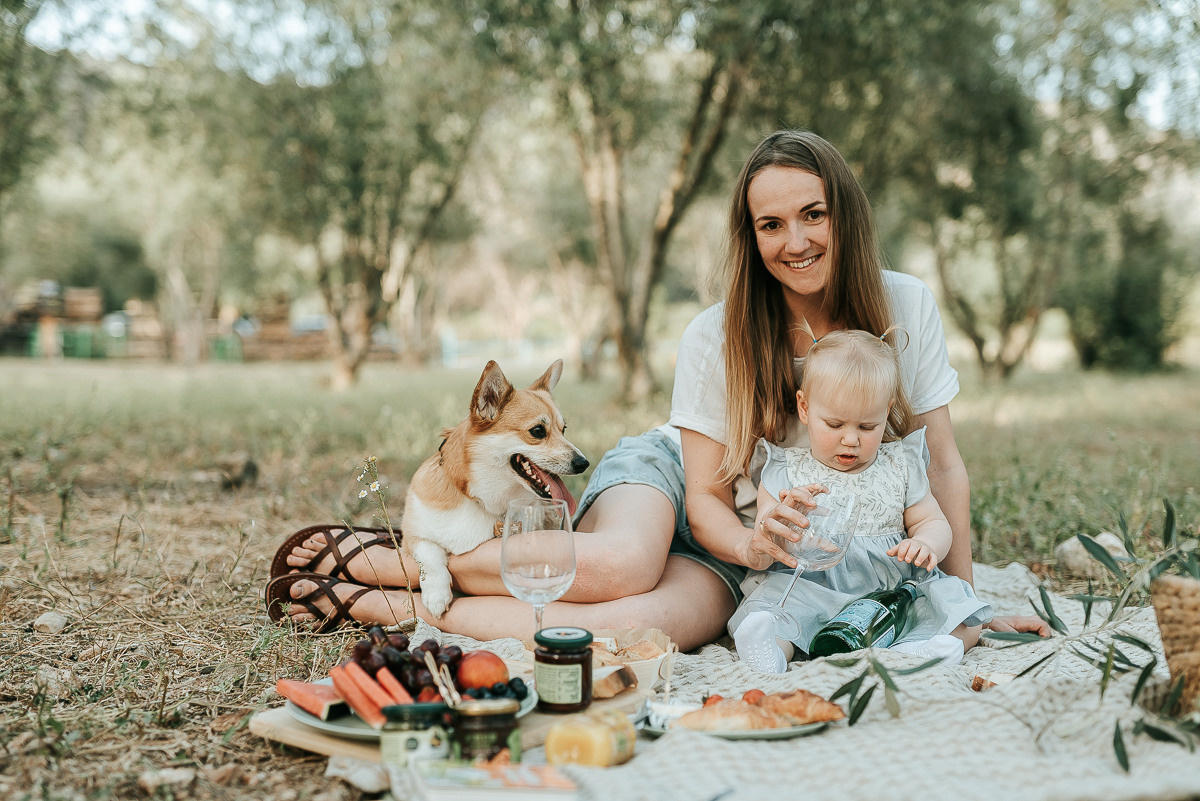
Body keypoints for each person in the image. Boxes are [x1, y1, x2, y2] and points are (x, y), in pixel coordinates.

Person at [272, 129, 1048, 647]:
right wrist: (749, 536)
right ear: (751, 235)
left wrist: (964, 607)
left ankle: (392, 598)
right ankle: (403, 554)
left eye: (813, 214)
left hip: (749, 557)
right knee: (620, 566)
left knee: (635, 625)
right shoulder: (716, 331)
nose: (797, 240)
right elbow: (708, 496)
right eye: (771, 224)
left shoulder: (905, 305)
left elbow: (940, 464)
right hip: (687, 484)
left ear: (843, 211)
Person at [730, 325, 991, 674]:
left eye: (867, 427)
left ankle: (925, 650)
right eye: (835, 425)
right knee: (772, 607)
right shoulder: (786, 470)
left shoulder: (900, 465)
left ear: (887, 411)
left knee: (961, 608)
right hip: (812, 586)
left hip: (892, 592)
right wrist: (779, 522)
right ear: (804, 408)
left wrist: (927, 544)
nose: (850, 440)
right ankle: (770, 652)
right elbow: (768, 527)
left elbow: (932, 520)